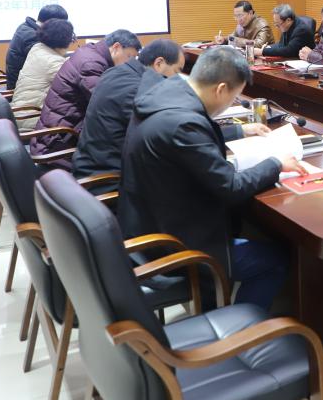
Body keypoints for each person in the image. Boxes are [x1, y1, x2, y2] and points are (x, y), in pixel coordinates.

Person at [119, 46, 305, 311]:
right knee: (276, 258)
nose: (231, 102)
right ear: (221, 89)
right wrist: (275, 163)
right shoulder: (184, 124)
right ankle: (239, 327)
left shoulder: (167, 94)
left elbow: (194, 137)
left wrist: (239, 131)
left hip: (148, 224)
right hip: (175, 246)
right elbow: (231, 187)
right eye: (234, 97)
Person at [72, 39, 184, 180]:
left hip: (86, 164)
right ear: (159, 63)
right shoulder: (141, 90)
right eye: (177, 71)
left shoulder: (114, 72)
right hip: (108, 178)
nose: (177, 79)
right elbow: (163, 140)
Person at [30, 29, 141, 161]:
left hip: (58, 131)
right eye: (129, 57)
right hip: (58, 142)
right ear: (116, 47)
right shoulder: (91, 64)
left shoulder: (91, 53)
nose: (130, 63)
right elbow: (106, 103)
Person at [10, 19, 75, 129]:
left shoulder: (37, 48)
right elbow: (74, 84)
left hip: (20, 112)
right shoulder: (54, 63)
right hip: (33, 119)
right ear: (66, 40)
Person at [5, 4, 68, 90]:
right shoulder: (33, 37)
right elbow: (48, 62)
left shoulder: (26, 27)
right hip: (22, 88)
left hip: (24, 83)